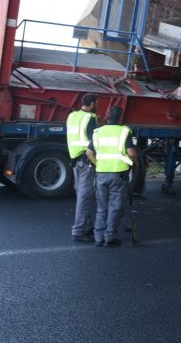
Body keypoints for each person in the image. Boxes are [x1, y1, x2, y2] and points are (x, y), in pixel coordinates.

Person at [86, 106, 137, 247]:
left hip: (101, 174)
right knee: (115, 206)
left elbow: (89, 153)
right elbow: (131, 153)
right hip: (118, 174)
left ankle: (98, 238)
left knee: (102, 207)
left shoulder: (98, 132)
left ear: (107, 116)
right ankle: (109, 238)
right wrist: (135, 163)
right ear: (120, 117)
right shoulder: (124, 131)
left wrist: (98, 164)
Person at [67, 93, 98, 242]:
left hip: (75, 158)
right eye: (96, 103)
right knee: (85, 196)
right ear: (92, 104)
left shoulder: (72, 116)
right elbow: (94, 141)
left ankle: (87, 226)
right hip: (86, 160)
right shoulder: (90, 118)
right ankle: (78, 231)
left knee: (81, 193)